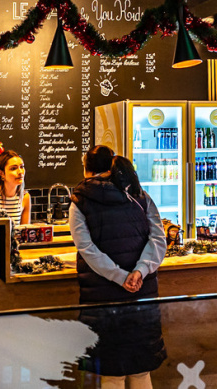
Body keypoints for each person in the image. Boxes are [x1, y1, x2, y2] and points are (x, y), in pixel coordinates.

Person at [70, 146, 167, 388]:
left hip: (102, 298)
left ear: (86, 169)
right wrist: (139, 272)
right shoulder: (140, 196)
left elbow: (87, 249)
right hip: (142, 294)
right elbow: (158, 239)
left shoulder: (79, 201)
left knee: (112, 373)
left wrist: (120, 276)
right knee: (141, 370)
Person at [0, 150, 31, 225]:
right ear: (2, 173)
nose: (20, 172)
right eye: (13, 168)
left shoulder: (25, 197)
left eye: (22, 167)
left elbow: (24, 231)